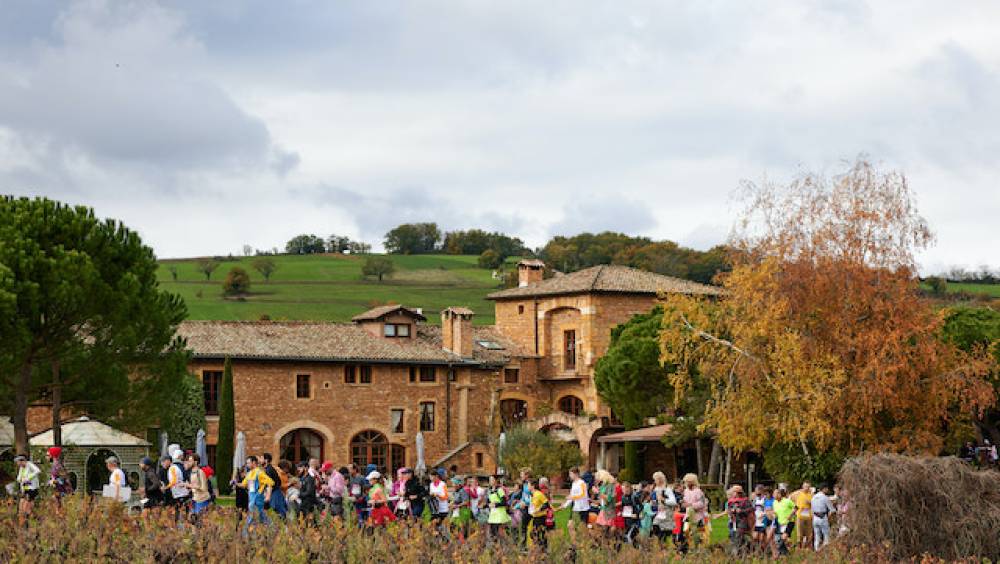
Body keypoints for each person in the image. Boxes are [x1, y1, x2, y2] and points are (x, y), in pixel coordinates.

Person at [238, 456, 274, 536]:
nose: (247, 464)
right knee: (262, 517)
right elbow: (244, 485)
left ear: (254, 463)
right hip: (251, 499)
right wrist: (235, 483)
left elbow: (270, 483)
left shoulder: (259, 473)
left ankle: (245, 536)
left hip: (257, 499)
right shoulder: (249, 473)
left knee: (252, 518)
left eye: (248, 463)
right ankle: (273, 531)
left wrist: (268, 495)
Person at [724, 485, 753, 556]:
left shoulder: (745, 500)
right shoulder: (731, 501)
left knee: (738, 535)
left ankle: (737, 552)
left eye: (735, 492)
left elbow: (750, 509)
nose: (734, 494)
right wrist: (731, 511)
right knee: (732, 535)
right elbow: (728, 510)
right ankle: (738, 551)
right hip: (733, 521)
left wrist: (741, 511)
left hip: (742, 521)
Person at [682, 473, 709, 548]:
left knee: (696, 532)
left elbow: (702, 503)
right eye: (686, 481)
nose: (686, 483)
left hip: (697, 515)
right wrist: (683, 504)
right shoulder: (686, 491)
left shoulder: (698, 491)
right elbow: (685, 501)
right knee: (685, 530)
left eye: (688, 482)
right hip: (688, 514)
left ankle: (697, 546)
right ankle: (689, 546)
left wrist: (691, 505)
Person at [14, 455, 41, 526]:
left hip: (32, 489)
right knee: (22, 508)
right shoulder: (21, 468)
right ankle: (36, 520)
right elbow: (19, 478)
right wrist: (20, 479)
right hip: (25, 489)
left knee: (26, 509)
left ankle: (32, 522)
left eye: (18, 462)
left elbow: (38, 471)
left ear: (22, 461)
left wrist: (28, 478)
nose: (17, 464)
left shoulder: (29, 465)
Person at [651, 471, 676, 542]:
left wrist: (664, 500)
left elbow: (674, 502)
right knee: (655, 526)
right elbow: (656, 501)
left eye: (655, 479)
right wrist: (654, 503)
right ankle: (663, 543)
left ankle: (668, 545)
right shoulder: (656, 490)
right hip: (660, 512)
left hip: (667, 513)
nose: (654, 481)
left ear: (659, 479)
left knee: (666, 530)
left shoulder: (667, 490)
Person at [185, 453, 211, 521]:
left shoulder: (200, 472)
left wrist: (190, 485)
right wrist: (188, 488)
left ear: (196, 462)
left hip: (202, 500)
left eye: (190, 461)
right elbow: (195, 486)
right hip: (195, 499)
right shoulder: (191, 472)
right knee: (192, 521)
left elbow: (204, 488)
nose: (188, 462)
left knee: (200, 521)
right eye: (188, 461)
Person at [810, 483, 836, 550]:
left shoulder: (813, 498)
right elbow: (832, 510)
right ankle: (825, 550)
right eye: (827, 489)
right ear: (824, 489)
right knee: (826, 535)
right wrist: (830, 517)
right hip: (823, 517)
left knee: (817, 536)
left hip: (815, 518)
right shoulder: (825, 498)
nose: (827, 490)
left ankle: (816, 550)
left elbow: (812, 509)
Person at [772, 487, 797, 556]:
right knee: (778, 541)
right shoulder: (774, 503)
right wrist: (774, 514)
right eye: (773, 494)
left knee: (784, 537)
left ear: (779, 494)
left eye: (776, 494)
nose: (774, 495)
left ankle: (790, 547)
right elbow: (775, 512)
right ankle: (786, 554)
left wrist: (791, 515)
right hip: (779, 523)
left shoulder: (787, 501)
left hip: (789, 522)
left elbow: (796, 507)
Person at [261, 454, 287, 519]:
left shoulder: (269, 470)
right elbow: (279, 481)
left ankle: (286, 527)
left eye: (261, 458)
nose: (260, 460)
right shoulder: (269, 469)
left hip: (274, 493)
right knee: (278, 512)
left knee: (279, 512)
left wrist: (267, 496)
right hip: (275, 492)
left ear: (266, 460)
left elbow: (269, 485)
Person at [486, 475, 511, 539]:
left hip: (500, 514)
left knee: (498, 532)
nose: (490, 481)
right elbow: (488, 501)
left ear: (496, 481)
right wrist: (487, 505)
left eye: (492, 480)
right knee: (492, 532)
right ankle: (495, 546)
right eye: (489, 480)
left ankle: (502, 546)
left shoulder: (499, 490)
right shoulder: (489, 490)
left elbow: (504, 502)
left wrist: (495, 505)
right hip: (492, 514)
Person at [527, 479, 549, 549]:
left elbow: (546, 504)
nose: (527, 486)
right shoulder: (532, 494)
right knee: (534, 534)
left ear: (532, 486)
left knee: (538, 534)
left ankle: (543, 549)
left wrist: (539, 509)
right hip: (535, 517)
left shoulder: (539, 494)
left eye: (528, 485)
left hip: (541, 517)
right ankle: (540, 548)